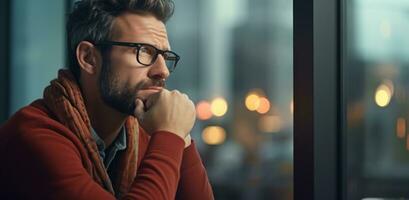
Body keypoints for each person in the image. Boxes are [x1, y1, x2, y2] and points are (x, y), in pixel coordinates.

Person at [0, 0, 214, 199]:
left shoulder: (145, 134)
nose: (163, 71)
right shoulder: (33, 137)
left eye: (165, 57)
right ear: (88, 58)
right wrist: (170, 135)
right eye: (144, 51)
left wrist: (180, 135)